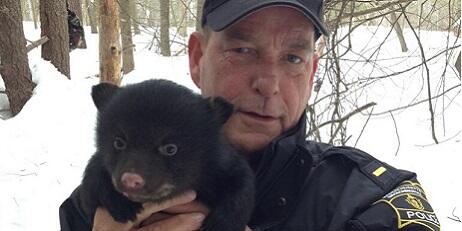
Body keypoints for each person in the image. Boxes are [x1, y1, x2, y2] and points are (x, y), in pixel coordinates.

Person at [59, 0, 440, 230]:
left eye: (293, 57)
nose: (268, 83)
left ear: (311, 73)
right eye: (242, 50)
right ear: (197, 58)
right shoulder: (103, 194)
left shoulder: (371, 202)